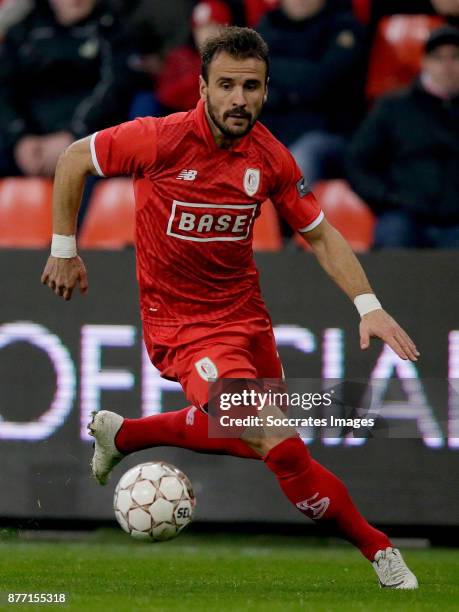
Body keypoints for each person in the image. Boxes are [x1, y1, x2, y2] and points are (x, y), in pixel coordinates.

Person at [41, 27, 419, 589]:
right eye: (226, 85)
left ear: (266, 90)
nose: (239, 99)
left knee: (264, 443)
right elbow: (73, 159)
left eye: (251, 86)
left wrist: (369, 305)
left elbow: (319, 234)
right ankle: (380, 550)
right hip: (185, 330)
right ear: (202, 88)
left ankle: (124, 436)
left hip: (247, 322)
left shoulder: (270, 158)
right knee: (279, 444)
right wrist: (64, 248)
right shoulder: (159, 138)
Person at [347, 25, 459, 248]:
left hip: (455, 222)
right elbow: (357, 161)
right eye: (438, 58)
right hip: (404, 215)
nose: (447, 66)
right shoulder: (393, 107)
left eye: (455, 57)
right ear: (425, 62)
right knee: (393, 237)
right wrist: (389, 198)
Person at [0, 0, 136, 178]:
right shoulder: (25, 29)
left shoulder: (113, 28)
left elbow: (114, 89)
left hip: (90, 142)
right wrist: (20, 140)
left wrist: (73, 136)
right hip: (26, 144)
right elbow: (5, 90)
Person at [256, 0, 367, 183]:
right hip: (271, 130)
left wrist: (265, 68)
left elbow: (321, 82)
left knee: (301, 159)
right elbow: (247, 84)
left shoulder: (345, 27)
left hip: (327, 134)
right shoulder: (267, 25)